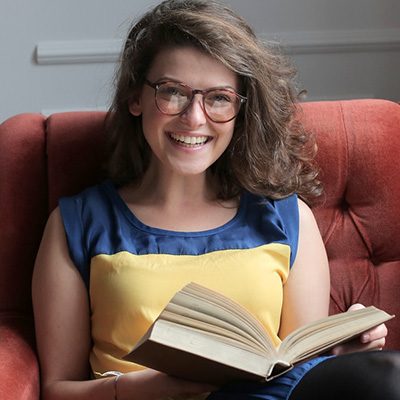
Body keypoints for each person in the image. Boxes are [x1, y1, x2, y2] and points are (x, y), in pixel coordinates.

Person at [32, 1, 399, 399]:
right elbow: (56, 391)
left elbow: (299, 374)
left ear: (242, 110)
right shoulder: (79, 223)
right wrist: (145, 389)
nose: (194, 118)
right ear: (136, 97)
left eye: (219, 98)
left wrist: (340, 352)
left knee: (386, 376)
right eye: (172, 92)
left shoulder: (287, 218)